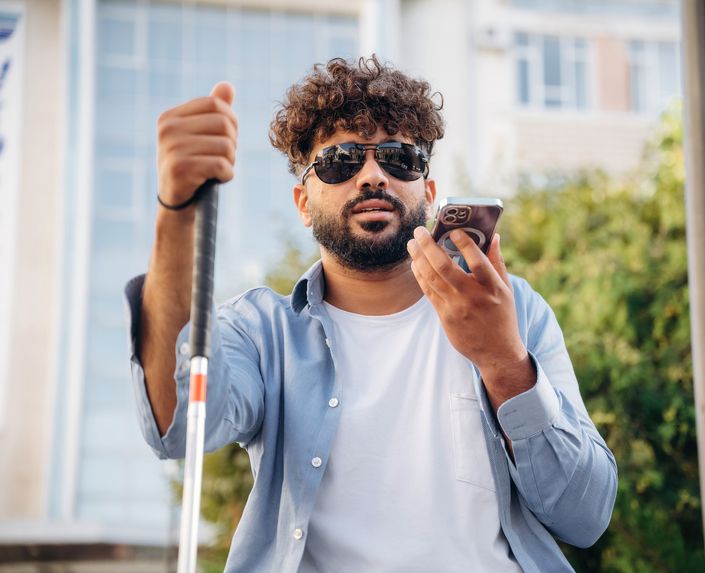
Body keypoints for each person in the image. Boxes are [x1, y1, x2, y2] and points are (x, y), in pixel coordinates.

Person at [125, 56, 617, 572]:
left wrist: (503, 360)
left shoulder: (510, 310)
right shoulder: (263, 332)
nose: (373, 176)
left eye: (399, 157)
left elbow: (585, 515)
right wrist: (177, 212)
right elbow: (179, 424)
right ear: (302, 202)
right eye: (340, 160)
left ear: (427, 191)